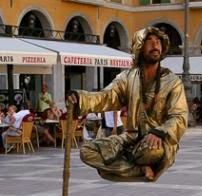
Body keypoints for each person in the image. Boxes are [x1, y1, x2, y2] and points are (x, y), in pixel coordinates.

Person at [67, 26, 187, 182]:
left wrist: (160, 131)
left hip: (157, 142)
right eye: (149, 41)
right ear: (139, 46)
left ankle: (125, 164)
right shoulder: (127, 77)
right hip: (131, 139)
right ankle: (139, 168)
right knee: (87, 151)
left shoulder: (173, 82)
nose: (155, 45)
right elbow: (106, 97)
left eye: (158, 42)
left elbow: (180, 117)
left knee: (153, 152)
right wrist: (79, 98)